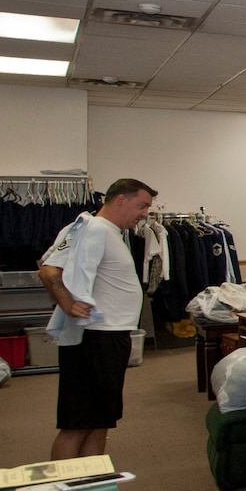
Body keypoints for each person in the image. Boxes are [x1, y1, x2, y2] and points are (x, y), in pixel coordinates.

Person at [39, 178, 157, 461]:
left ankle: (93, 490)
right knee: (78, 424)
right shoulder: (91, 229)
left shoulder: (108, 232)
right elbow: (49, 269)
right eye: (142, 205)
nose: (144, 213)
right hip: (94, 339)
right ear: (120, 200)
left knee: (101, 420)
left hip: (110, 336)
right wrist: (67, 302)